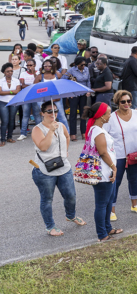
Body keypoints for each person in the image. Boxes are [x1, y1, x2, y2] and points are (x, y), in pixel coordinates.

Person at [31, 101, 86, 237]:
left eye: (55, 111)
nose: (53, 114)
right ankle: (50, 226)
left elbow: (67, 136)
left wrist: (65, 150)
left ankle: (71, 215)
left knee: (71, 195)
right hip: (44, 170)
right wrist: (51, 130)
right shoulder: (37, 129)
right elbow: (43, 147)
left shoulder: (61, 125)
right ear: (42, 113)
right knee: (47, 199)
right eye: (49, 111)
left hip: (63, 166)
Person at [104, 90, 137, 221]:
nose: (127, 104)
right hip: (118, 156)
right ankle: (111, 211)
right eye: (123, 102)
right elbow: (104, 135)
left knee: (134, 179)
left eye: (129, 101)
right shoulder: (111, 117)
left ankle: (134, 205)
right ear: (117, 103)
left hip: (134, 154)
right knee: (115, 183)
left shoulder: (136, 113)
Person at [83, 102, 120, 242]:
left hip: (106, 171)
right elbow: (103, 152)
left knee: (108, 201)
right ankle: (102, 234)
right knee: (102, 204)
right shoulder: (97, 131)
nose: (110, 115)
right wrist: (114, 167)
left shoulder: (96, 129)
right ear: (101, 116)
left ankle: (108, 228)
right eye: (108, 113)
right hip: (103, 173)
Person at [62, 56, 92, 140]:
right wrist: (69, 91)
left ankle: (83, 132)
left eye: (84, 64)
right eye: (81, 65)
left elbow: (88, 80)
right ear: (76, 64)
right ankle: (73, 133)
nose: (83, 66)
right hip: (74, 94)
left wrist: (88, 90)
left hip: (83, 93)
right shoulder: (71, 70)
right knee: (73, 113)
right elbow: (64, 80)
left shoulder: (86, 69)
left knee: (83, 113)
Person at [16, 58, 40, 140]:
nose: (29, 67)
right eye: (27, 65)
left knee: (37, 115)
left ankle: (39, 133)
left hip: (36, 97)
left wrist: (34, 75)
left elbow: (39, 85)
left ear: (35, 65)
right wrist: (33, 86)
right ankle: (23, 133)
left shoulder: (38, 73)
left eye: (31, 65)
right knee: (25, 115)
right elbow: (22, 85)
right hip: (26, 97)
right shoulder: (23, 74)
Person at [0, 62, 21, 146]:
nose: (10, 73)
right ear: (4, 72)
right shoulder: (0, 81)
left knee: (12, 120)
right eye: (8, 71)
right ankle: (2, 139)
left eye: (11, 71)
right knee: (5, 121)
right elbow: (0, 93)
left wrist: (7, 92)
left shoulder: (16, 80)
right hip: (2, 102)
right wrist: (12, 91)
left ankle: (9, 137)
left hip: (13, 102)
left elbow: (18, 91)